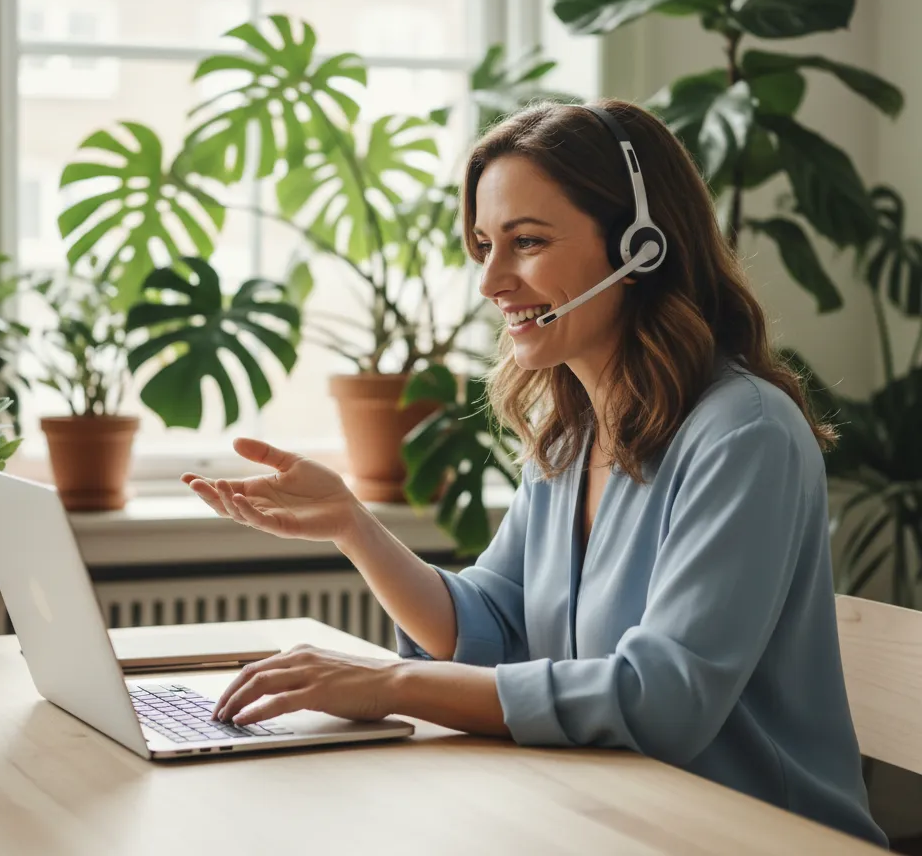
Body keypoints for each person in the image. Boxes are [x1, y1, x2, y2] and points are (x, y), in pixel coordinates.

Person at [183, 100, 886, 848]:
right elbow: (489, 626)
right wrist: (352, 526)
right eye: (484, 244)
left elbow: (662, 702)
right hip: (612, 818)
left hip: (754, 837)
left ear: (640, 246)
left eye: (526, 242)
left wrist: (390, 684)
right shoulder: (572, 433)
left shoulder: (744, 434)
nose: (491, 281)